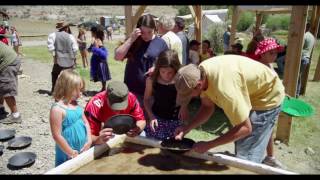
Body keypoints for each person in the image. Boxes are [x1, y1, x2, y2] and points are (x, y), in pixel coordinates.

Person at [174, 55, 285, 164]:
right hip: (250, 90)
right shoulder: (199, 72)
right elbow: (207, 107)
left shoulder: (226, 91)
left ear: (198, 85)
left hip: (268, 95)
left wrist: (209, 144)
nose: (190, 98)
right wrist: (187, 128)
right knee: (241, 142)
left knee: (246, 155)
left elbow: (245, 128)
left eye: (189, 95)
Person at [115, 14, 168, 107]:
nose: (146, 35)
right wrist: (131, 39)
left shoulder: (161, 43)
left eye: (149, 32)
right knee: (133, 120)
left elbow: (167, 63)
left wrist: (156, 68)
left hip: (151, 93)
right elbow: (117, 56)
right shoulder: (134, 40)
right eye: (143, 32)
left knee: (148, 119)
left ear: (154, 29)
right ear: (138, 30)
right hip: (132, 91)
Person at [254, 38, 285, 168]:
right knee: (258, 135)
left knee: (269, 131)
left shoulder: (269, 65)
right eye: (271, 53)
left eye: (275, 52)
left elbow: (275, 83)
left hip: (272, 105)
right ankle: (251, 161)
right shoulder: (258, 68)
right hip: (262, 108)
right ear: (262, 53)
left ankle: (270, 157)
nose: (275, 55)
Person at [50, 69, 92, 166]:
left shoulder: (76, 105)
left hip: (82, 147)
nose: (80, 93)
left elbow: (86, 123)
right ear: (66, 88)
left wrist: (89, 140)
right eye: (77, 90)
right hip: (68, 152)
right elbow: (57, 135)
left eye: (81, 90)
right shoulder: (57, 109)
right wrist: (70, 152)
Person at [144, 50, 188, 140]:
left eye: (170, 72)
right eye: (163, 72)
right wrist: (151, 116)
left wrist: (184, 106)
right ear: (158, 68)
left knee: (173, 145)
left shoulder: (180, 79)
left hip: (176, 120)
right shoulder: (151, 80)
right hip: (157, 119)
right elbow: (146, 100)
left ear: (175, 69)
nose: (166, 75)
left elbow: (187, 95)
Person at [84, 81, 146, 145]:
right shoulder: (94, 105)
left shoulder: (131, 97)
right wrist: (98, 139)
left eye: (122, 106)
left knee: (142, 134)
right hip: (105, 132)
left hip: (126, 129)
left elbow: (141, 121)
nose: (118, 111)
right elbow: (88, 137)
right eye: (114, 106)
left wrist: (136, 130)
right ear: (106, 97)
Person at [47, 21, 78, 94]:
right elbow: (75, 49)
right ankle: (68, 91)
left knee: (55, 74)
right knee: (69, 76)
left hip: (58, 59)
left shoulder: (53, 35)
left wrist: (54, 56)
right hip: (69, 60)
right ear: (66, 28)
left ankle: (54, 90)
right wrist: (73, 56)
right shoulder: (70, 36)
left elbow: (50, 48)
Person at [0, 42, 22, 124]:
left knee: (6, 88)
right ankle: (1, 109)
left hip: (8, 63)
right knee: (1, 86)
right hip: (7, 61)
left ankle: (15, 115)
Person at [88, 25, 111, 92]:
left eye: (91, 32)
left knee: (102, 74)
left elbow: (97, 50)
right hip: (101, 60)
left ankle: (103, 88)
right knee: (102, 74)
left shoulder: (96, 40)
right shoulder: (99, 39)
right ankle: (103, 88)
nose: (91, 34)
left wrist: (92, 47)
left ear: (94, 33)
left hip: (99, 61)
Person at [296, 22, 315, 97]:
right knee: (299, 76)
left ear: (306, 27)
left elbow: (299, 48)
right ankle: (297, 92)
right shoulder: (312, 36)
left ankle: (296, 93)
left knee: (296, 76)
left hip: (302, 58)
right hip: (307, 58)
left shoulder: (304, 36)